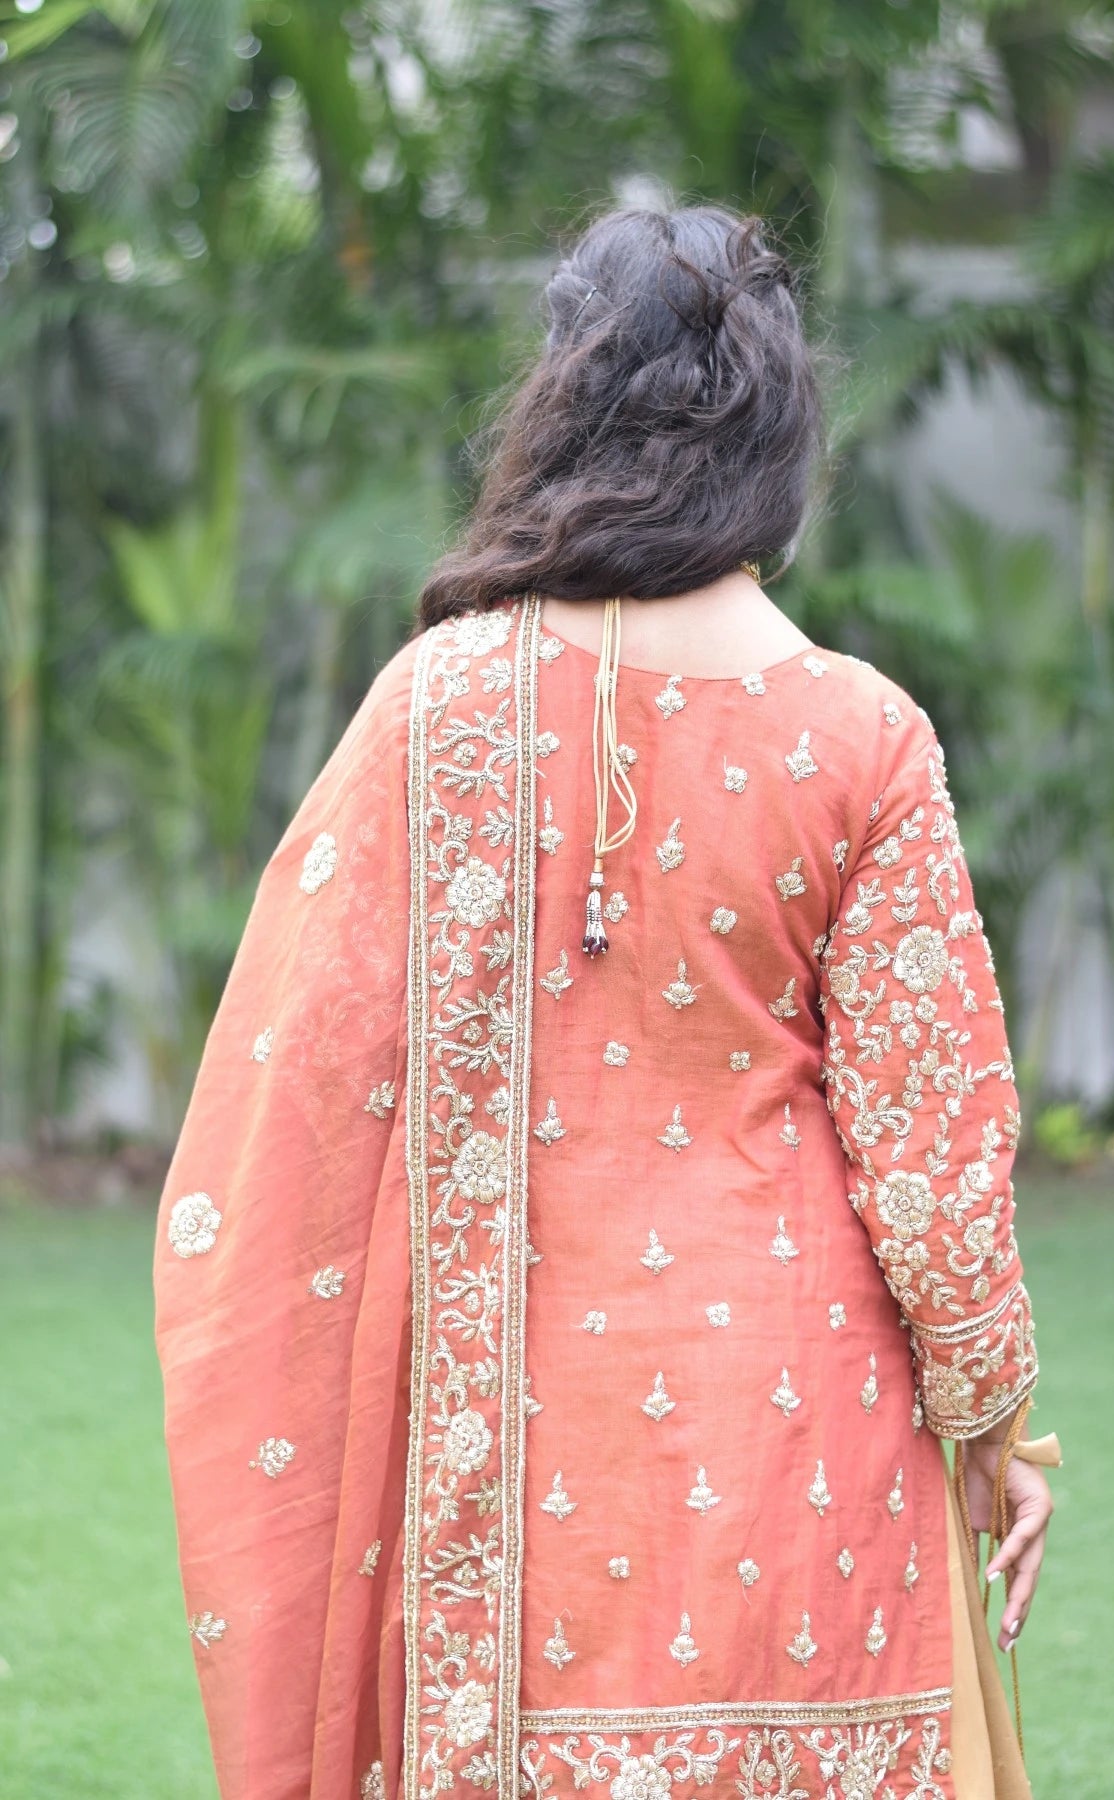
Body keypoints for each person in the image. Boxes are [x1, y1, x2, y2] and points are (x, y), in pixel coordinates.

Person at [154, 203, 1057, 1800]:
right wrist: (994, 1422)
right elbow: (934, 1163)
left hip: (513, 1490)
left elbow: (297, 1090)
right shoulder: (862, 736)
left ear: (563, 403)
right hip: (813, 1454)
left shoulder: (434, 710)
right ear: (778, 431)